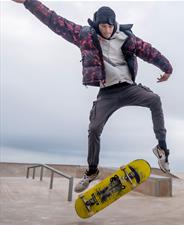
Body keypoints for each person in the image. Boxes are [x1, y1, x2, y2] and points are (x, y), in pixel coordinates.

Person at [12, 0, 173, 192]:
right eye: (103, 26)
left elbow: (149, 51)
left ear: (115, 24)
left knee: (154, 100)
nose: (107, 30)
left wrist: (167, 68)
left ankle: (162, 149)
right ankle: (92, 171)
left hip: (129, 88)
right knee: (94, 128)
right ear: (96, 25)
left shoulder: (127, 37)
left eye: (110, 26)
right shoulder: (84, 36)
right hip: (107, 93)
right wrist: (29, 3)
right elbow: (55, 21)